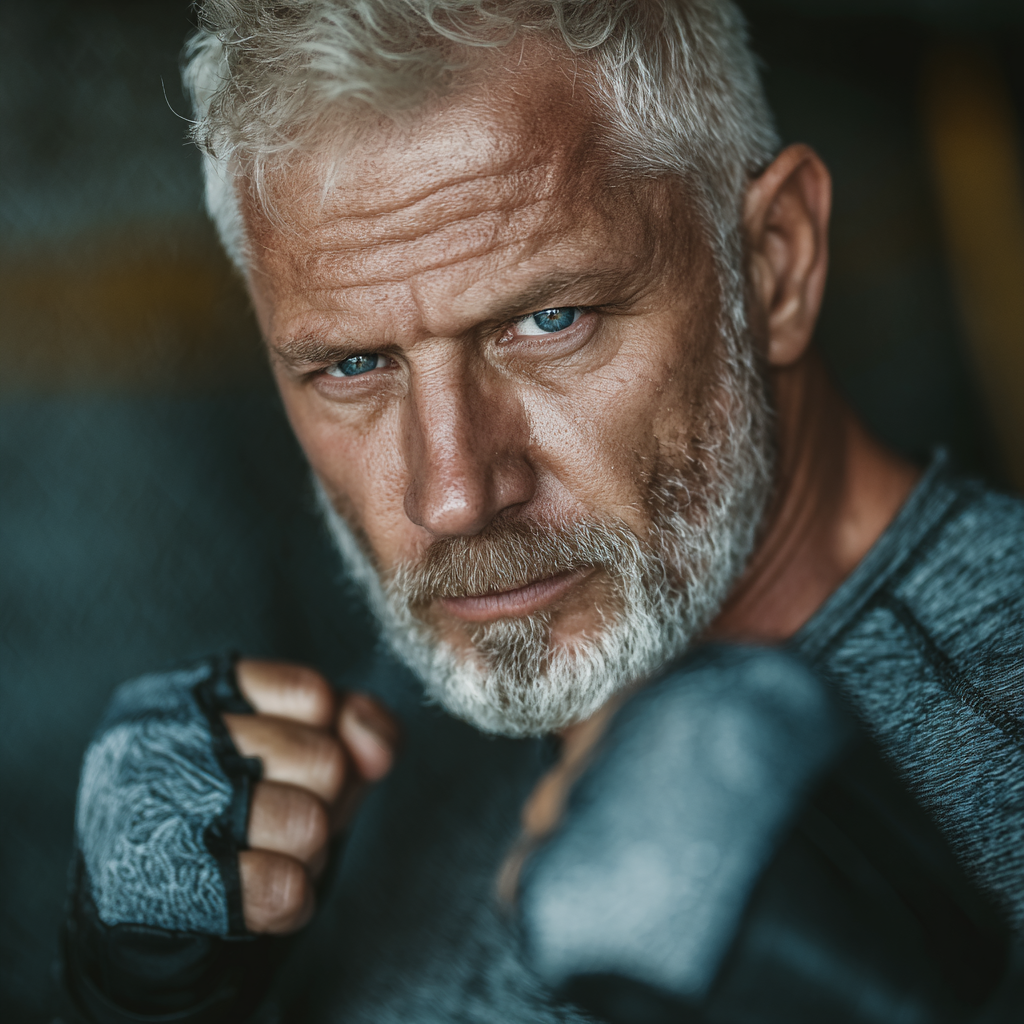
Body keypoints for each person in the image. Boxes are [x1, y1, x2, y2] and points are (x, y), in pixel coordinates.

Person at [63, 2, 1023, 1021]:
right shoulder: (403, 730)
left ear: (774, 262)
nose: (454, 496)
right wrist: (131, 998)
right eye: (353, 364)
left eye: (547, 320)